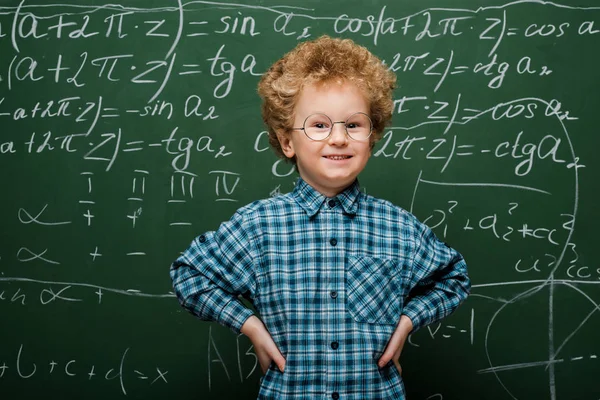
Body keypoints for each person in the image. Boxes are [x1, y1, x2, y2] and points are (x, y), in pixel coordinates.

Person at [170, 35, 470, 399]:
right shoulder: (257, 227)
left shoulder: (399, 228)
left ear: (372, 136)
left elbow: (452, 277)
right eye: (319, 125)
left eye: (354, 125)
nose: (339, 138)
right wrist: (250, 326)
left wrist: (406, 323)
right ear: (287, 142)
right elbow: (190, 274)